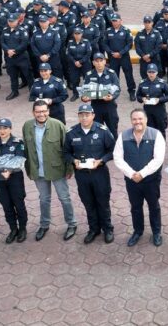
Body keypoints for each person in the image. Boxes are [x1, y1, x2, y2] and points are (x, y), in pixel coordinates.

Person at [22, 101, 76, 242]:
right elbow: (26, 149)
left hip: (57, 170)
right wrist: (28, 168)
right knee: (44, 199)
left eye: (44, 111)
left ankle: (72, 224)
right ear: (33, 113)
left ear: (48, 111)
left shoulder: (58, 125)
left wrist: (69, 168)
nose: (41, 114)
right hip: (38, 171)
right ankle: (44, 225)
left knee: (64, 198)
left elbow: (67, 148)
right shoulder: (27, 126)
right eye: (38, 111)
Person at [64, 103, 116, 244]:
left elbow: (113, 150)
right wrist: (73, 161)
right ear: (78, 116)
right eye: (81, 115)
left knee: (103, 202)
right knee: (88, 202)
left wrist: (102, 160)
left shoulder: (102, 131)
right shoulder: (71, 133)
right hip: (82, 175)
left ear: (93, 115)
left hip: (99, 173)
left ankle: (108, 229)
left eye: (87, 115)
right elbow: (66, 152)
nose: (84, 118)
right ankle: (93, 229)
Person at [114, 109, 166, 247]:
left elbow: (158, 159)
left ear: (146, 119)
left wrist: (142, 174)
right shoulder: (123, 136)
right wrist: (132, 174)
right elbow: (117, 158)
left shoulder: (156, 134)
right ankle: (138, 231)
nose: (137, 122)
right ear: (131, 121)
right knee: (135, 207)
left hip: (151, 181)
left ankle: (156, 232)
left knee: (154, 206)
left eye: (140, 118)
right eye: (134, 119)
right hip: (132, 181)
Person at [0, 118, 28, 244]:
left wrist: (9, 171)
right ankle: (13, 229)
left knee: (19, 204)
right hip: (0, 179)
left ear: (10, 129)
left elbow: (20, 159)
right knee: (6, 205)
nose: (2, 131)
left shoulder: (17, 143)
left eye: (5, 128)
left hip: (14, 178)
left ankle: (22, 229)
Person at [80, 53, 121, 134]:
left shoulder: (111, 73)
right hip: (96, 106)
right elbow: (84, 90)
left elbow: (117, 89)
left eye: (101, 61)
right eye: (97, 61)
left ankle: (114, 142)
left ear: (105, 61)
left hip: (109, 106)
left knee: (113, 130)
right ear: (93, 63)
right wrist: (84, 98)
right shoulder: (89, 75)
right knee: (97, 131)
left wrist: (112, 96)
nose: (99, 63)